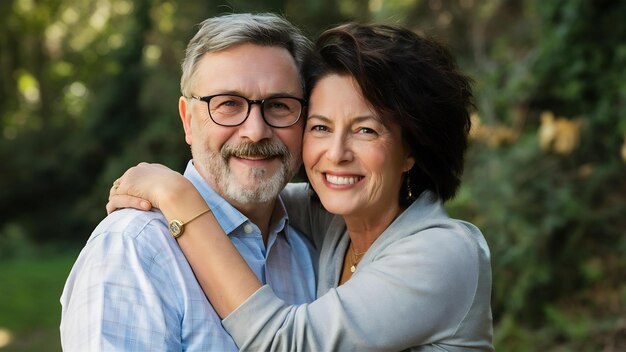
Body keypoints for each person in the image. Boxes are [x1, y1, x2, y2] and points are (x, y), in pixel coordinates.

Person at [109, 23, 494, 351]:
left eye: (365, 130)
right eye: (321, 127)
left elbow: (285, 341)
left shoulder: (443, 252)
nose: (336, 153)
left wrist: (176, 195)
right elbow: (242, 199)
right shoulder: (331, 222)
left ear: (411, 149)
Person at [60, 13, 318, 351]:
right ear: (188, 120)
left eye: (279, 105)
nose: (255, 131)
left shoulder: (312, 245)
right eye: (228, 104)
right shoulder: (135, 249)